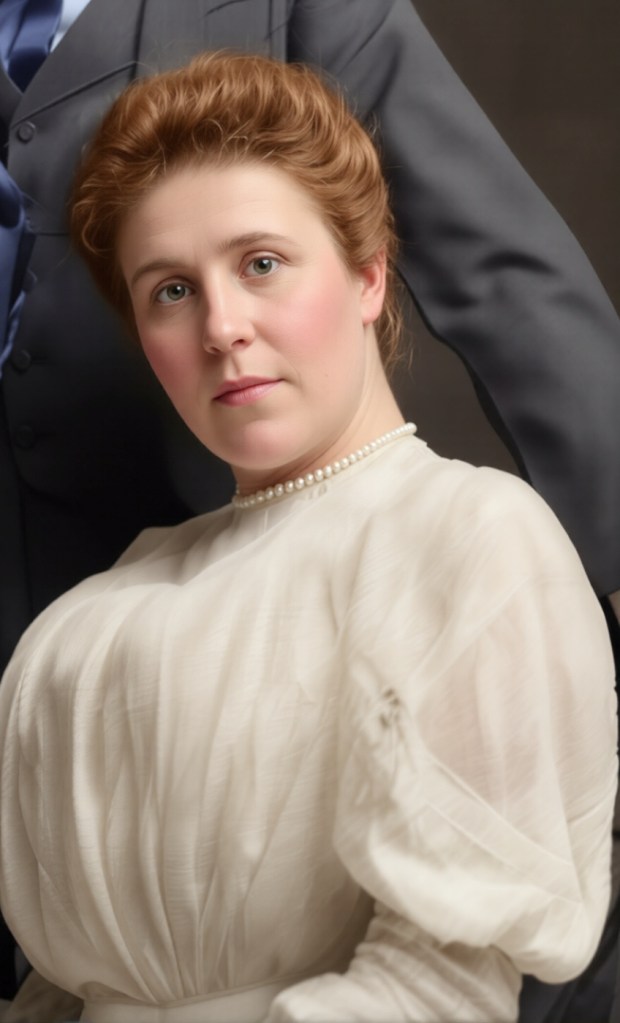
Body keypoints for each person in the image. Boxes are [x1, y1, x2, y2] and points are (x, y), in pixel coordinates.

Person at [0, 52, 616, 1023]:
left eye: (260, 263)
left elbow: (436, 994)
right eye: (170, 290)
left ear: (368, 276)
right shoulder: (91, 617)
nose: (221, 327)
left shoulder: (470, 540)